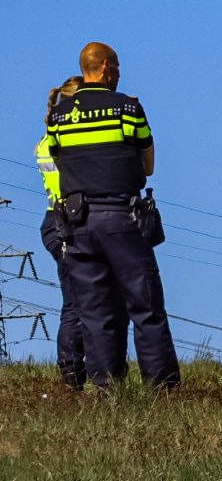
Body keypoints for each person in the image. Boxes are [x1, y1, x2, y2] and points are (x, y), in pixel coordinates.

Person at [46, 42, 180, 389]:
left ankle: (106, 389)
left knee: (94, 310)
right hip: (122, 216)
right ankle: (161, 386)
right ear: (105, 66)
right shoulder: (127, 108)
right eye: (117, 66)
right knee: (145, 304)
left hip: (77, 221)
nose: (119, 72)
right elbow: (148, 165)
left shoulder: (58, 116)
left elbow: (59, 160)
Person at [35, 76, 127, 388]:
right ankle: (73, 372)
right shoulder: (63, 140)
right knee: (78, 300)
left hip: (61, 218)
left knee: (86, 297)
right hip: (68, 220)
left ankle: (85, 370)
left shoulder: (48, 139)